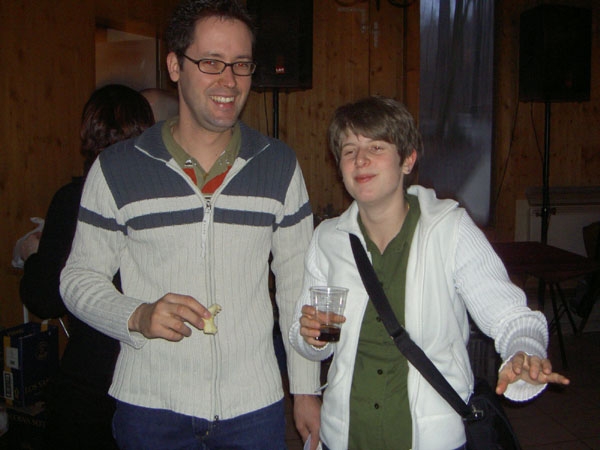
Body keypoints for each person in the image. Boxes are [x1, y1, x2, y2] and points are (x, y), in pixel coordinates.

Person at [60, 1, 321, 449]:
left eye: (241, 64)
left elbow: (298, 284)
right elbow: (77, 279)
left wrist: (305, 389)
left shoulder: (278, 165)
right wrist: (137, 315)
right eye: (211, 62)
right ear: (174, 66)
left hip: (253, 410)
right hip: (151, 410)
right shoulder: (118, 168)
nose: (229, 80)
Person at [289, 96, 570, 450]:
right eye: (349, 150)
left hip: (434, 439)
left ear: (408, 160)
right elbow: (306, 338)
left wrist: (523, 350)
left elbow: (513, 317)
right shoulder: (327, 239)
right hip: (344, 436)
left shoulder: (449, 229)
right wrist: (312, 337)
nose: (360, 160)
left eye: (376, 147)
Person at [19, 84, 155, 449]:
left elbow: (44, 298)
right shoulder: (159, 199)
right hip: (153, 378)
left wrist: (34, 254)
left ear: (89, 135)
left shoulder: (73, 200)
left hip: (94, 379)